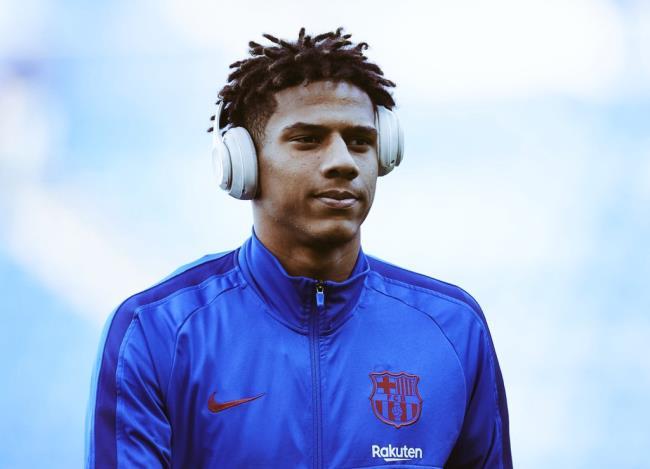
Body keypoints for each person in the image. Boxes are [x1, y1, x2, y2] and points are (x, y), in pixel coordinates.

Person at [85, 27, 512, 468]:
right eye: (308, 139)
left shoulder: (454, 328)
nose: (343, 162)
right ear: (241, 164)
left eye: (360, 142)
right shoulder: (158, 331)